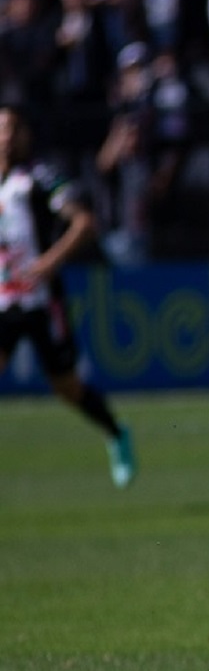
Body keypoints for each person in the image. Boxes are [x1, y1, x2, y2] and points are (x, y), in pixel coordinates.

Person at [0, 106, 136, 488]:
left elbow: (84, 223)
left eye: (13, 128)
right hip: (3, 303)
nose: (7, 137)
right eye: (1, 129)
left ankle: (115, 432)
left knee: (67, 387)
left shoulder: (38, 180)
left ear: (25, 134)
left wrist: (49, 262)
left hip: (42, 303)